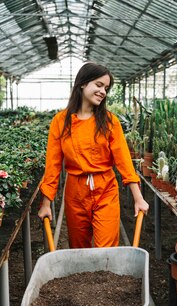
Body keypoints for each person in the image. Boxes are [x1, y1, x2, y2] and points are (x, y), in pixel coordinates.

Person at [38, 62, 149, 248]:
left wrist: (138, 198)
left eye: (106, 88)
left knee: (105, 249)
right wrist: (46, 203)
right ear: (82, 83)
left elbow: (123, 161)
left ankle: (106, 276)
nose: (103, 92)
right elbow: (53, 166)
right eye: (98, 85)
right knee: (79, 248)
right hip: (75, 190)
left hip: (105, 188)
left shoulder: (109, 121)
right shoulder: (60, 122)